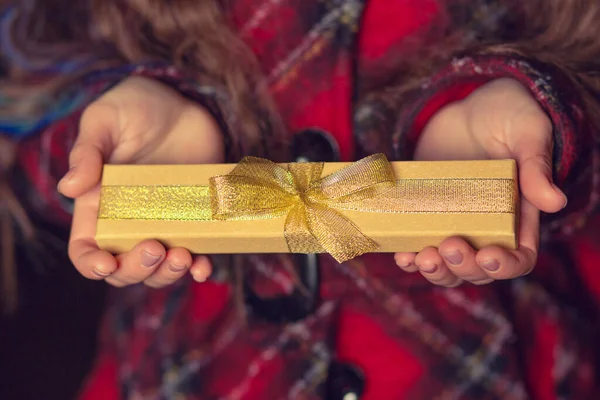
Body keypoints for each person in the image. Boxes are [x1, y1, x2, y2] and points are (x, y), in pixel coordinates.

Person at [2, 0, 600, 398]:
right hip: (193, 372)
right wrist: (106, 138)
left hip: (490, 369)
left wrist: (542, 120)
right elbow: (30, 151)